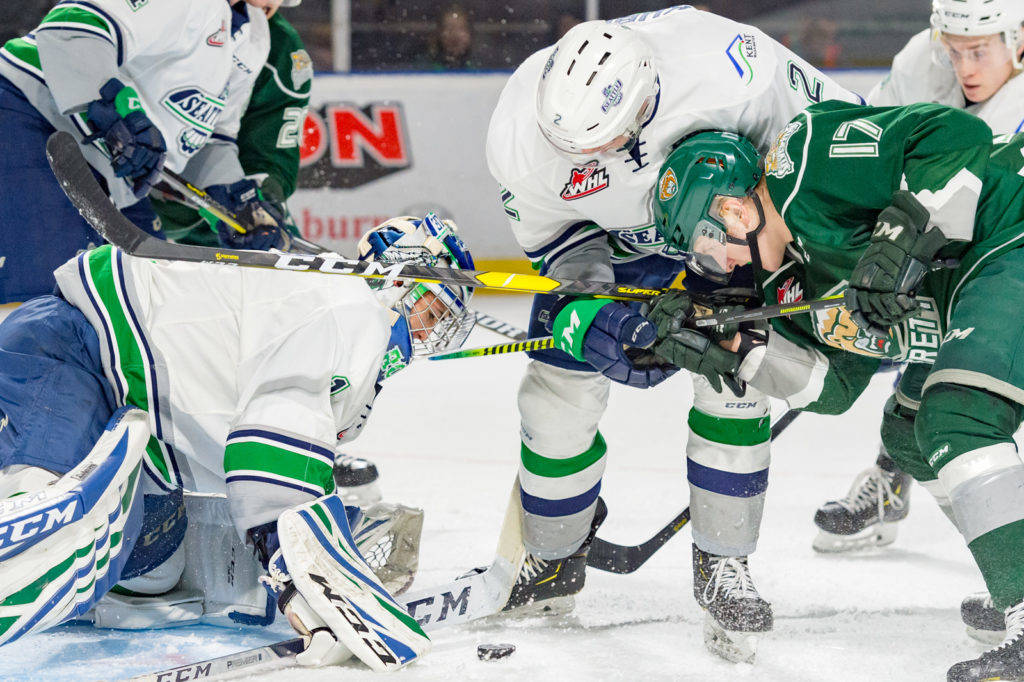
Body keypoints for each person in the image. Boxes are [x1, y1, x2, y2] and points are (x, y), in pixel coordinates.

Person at [484, 6, 861, 662]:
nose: (584, 162)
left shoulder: (733, 70)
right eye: (570, 148)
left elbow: (831, 148)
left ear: (644, 101)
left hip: (723, 224)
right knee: (554, 395)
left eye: (600, 142)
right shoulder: (518, 130)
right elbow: (562, 244)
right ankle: (549, 558)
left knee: (737, 379)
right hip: (613, 250)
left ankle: (725, 562)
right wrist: (589, 313)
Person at [649, 99, 1024, 681]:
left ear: (734, 210)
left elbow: (954, 135)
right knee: (910, 433)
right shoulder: (783, 284)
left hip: (1010, 224)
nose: (711, 269)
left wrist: (900, 235)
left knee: (957, 417)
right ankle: (1016, 573)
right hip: (972, 290)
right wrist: (739, 353)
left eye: (706, 248)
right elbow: (834, 387)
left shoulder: (806, 158)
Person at [0, 212, 475, 670]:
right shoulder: (352, 309)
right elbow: (270, 440)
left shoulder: (345, 318)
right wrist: (294, 575)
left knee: (152, 573)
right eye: (434, 306)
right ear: (396, 281)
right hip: (73, 348)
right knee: (57, 527)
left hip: (136, 412)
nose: (436, 327)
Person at [812, 0, 1024, 555]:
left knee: (966, 398)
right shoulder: (919, 64)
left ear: (1018, 39)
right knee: (919, 405)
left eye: (979, 51)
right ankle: (894, 481)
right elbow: (868, 148)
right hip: (947, 258)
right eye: (954, 52)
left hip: (1005, 261)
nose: (965, 68)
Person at [0, 0, 287, 306]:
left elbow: (210, 136)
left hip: (109, 169)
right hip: (31, 113)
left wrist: (233, 197)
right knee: (41, 297)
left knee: (148, 305)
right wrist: (117, 113)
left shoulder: (255, 37)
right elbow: (70, 26)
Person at [152, 0, 313, 248]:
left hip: (223, 192)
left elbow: (267, 151)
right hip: (142, 185)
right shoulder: (178, 12)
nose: (270, 2)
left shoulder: (277, 46)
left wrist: (262, 198)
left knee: (279, 256)